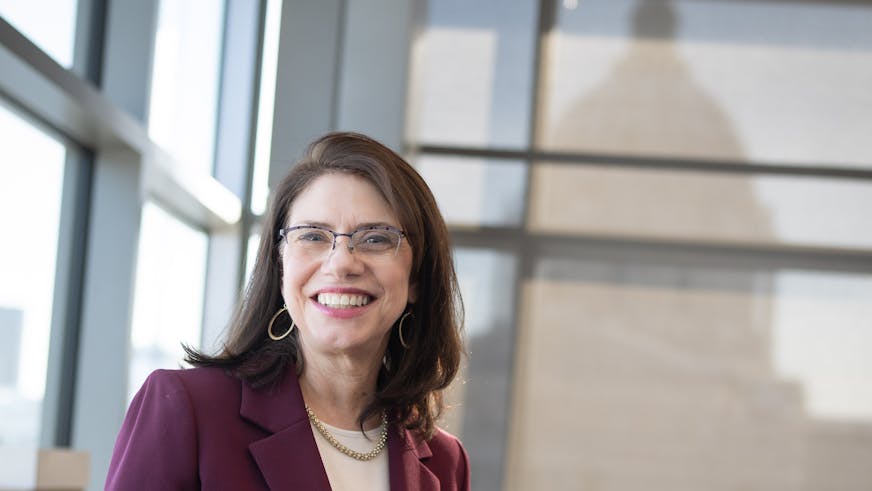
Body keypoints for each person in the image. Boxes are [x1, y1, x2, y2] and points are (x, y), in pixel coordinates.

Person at [105, 132, 469, 490]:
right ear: (280, 266)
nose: (341, 263)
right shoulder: (189, 409)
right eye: (313, 235)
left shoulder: (445, 460)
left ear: (417, 277)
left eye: (375, 238)